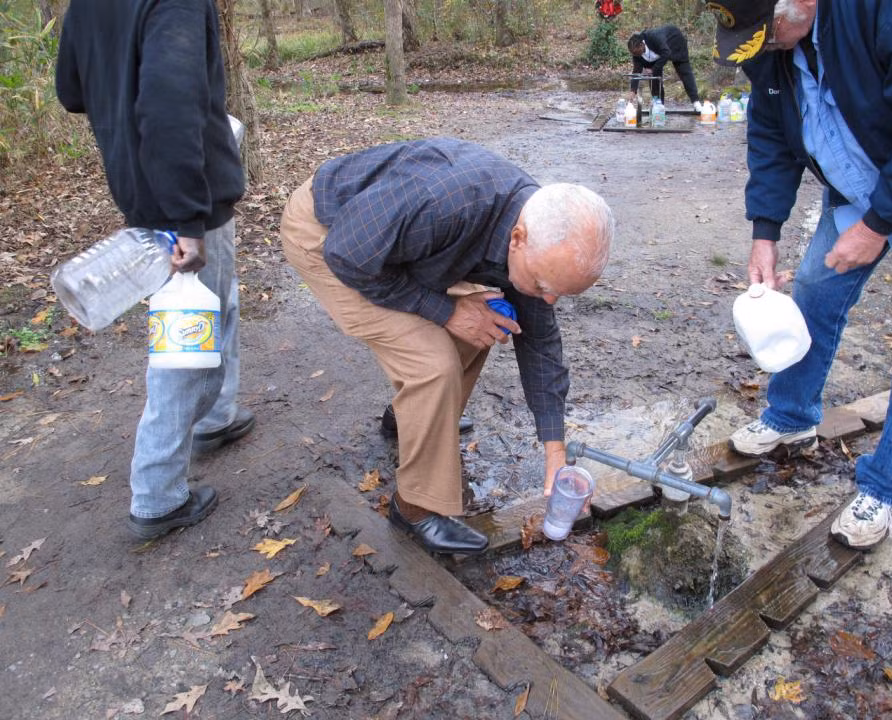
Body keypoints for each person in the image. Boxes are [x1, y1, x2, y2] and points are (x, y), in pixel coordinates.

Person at [280, 138, 614, 555]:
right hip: (330, 239)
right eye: (544, 286)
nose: (547, 300)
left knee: (490, 319)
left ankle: (413, 420)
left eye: (559, 293)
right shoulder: (444, 202)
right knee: (433, 364)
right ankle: (415, 509)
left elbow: (540, 341)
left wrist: (555, 452)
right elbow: (348, 253)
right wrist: (446, 310)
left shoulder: (537, 234)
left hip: (397, 250)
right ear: (518, 238)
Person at [709, 0, 892, 549]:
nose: (765, 46)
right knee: (815, 295)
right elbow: (772, 138)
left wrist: (877, 227)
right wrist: (765, 231)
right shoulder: (772, 47)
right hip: (859, 187)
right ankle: (792, 414)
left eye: (766, 32)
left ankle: (889, 487)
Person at [56, 0, 254, 540]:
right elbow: (171, 104)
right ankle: (158, 495)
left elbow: (71, 92)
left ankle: (216, 419)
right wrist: (187, 217)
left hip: (142, 185)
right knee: (186, 342)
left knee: (220, 305)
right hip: (185, 199)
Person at [627, 27, 702, 112]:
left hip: (674, 44)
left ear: (641, 45)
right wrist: (633, 90)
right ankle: (659, 105)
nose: (636, 55)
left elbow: (666, 53)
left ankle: (696, 102)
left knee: (684, 72)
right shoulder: (636, 54)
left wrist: (653, 69)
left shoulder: (654, 37)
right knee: (654, 79)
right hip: (656, 55)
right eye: (633, 53)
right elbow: (636, 72)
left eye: (636, 52)